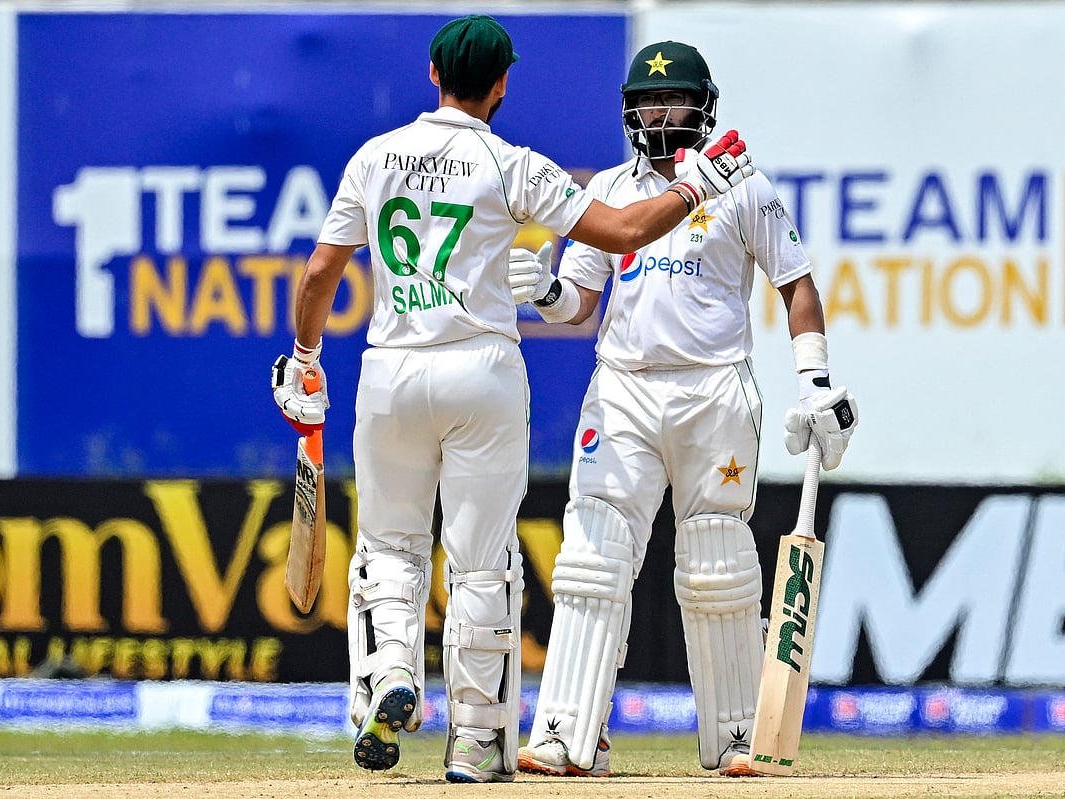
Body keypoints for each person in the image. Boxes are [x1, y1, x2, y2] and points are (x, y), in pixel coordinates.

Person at [270, 18, 756, 784]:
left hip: (390, 371)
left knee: (390, 547)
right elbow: (627, 230)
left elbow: (322, 270)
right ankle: (475, 741)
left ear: (433, 72)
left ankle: (392, 669)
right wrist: (697, 184)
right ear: (502, 84)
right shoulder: (511, 164)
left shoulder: (373, 157)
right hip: (482, 371)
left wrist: (303, 357)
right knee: (479, 565)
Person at [510, 41, 858, 778]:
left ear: (704, 106)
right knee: (593, 557)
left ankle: (736, 734)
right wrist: (542, 290)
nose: (656, 114)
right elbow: (578, 304)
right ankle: (570, 733)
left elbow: (795, 284)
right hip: (624, 389)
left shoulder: (745, 188)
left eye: (669, 101)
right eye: (643, 102)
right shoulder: (608, 188)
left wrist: (815, 382)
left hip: (714, 393)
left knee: (716, 562)